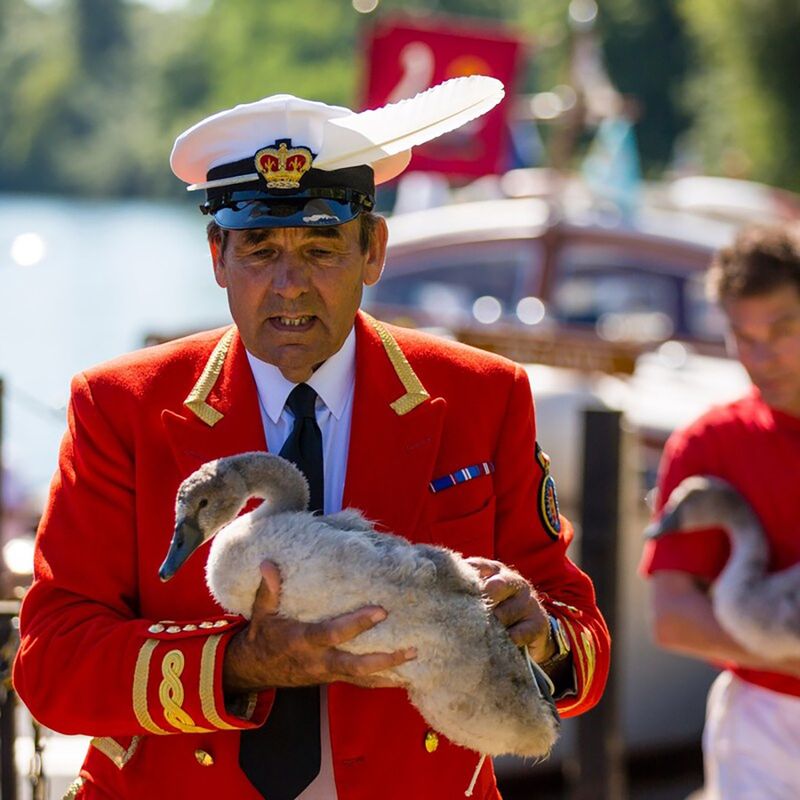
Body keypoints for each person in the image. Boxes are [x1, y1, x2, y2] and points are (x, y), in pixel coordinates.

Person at [14, 83, 610, 800]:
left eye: (322, 247)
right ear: (217, 256)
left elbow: (582, 642)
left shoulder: (483, 395)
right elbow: (52, 667)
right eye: (260, 249)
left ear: (373, 251)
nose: (290, 286)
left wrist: (539, 636)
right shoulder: (121, 407)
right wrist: (237, 663)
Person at [640, 224, 800, 799]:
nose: (761, 356)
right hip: (763, 726)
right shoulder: (707, 447)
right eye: (741, 335)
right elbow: (673, 615)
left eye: (781, 329)